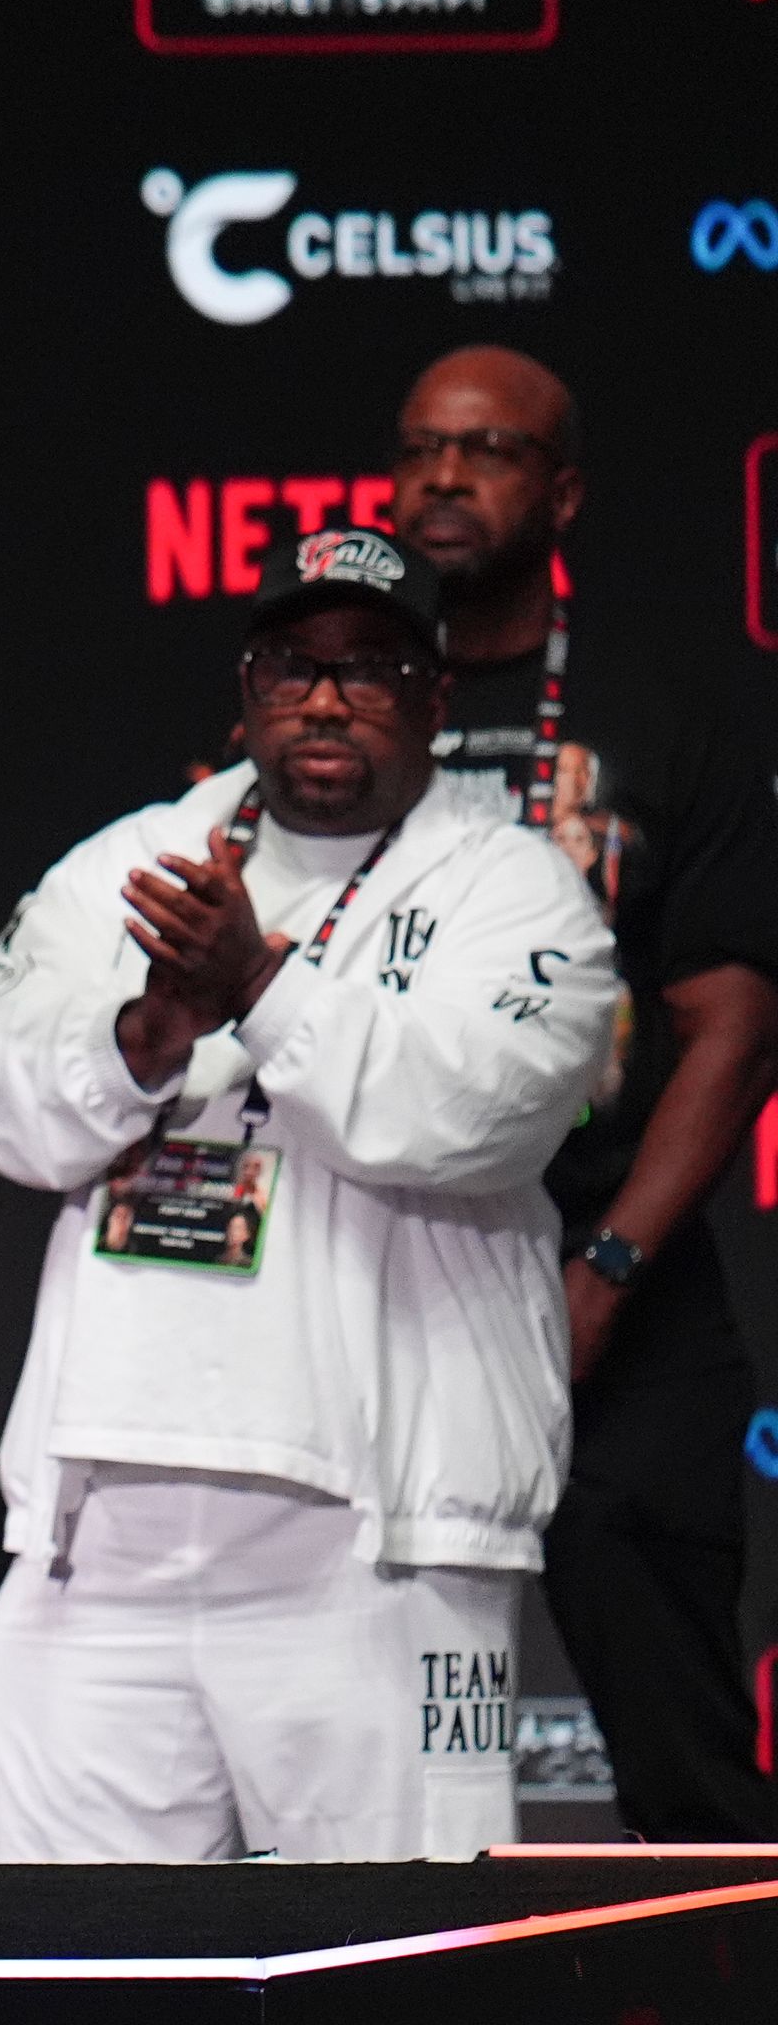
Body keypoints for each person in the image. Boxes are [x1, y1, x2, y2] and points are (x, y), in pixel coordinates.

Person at [0, 525, 618, 1861]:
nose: (323, 699)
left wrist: (257, 986)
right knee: (62, 1971)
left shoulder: (524, 892)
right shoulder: (129, 865)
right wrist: (147, 1031)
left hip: (400, 1552)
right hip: (101, 1535)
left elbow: (470, 1116)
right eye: (292, 666)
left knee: (420, 1970)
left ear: (434, 699)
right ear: (246, 689)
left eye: (368, 669)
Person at [388, 347, 778, 1840]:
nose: (441, 477)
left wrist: (605, 1273)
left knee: (686, 1771)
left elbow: (732, 1029)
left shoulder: (665, 710)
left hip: (620, 1290)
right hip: (392, 1290)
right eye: (420, 447)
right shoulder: (342, 702)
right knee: (399, 1755)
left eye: (484, 451)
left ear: (560, 491)